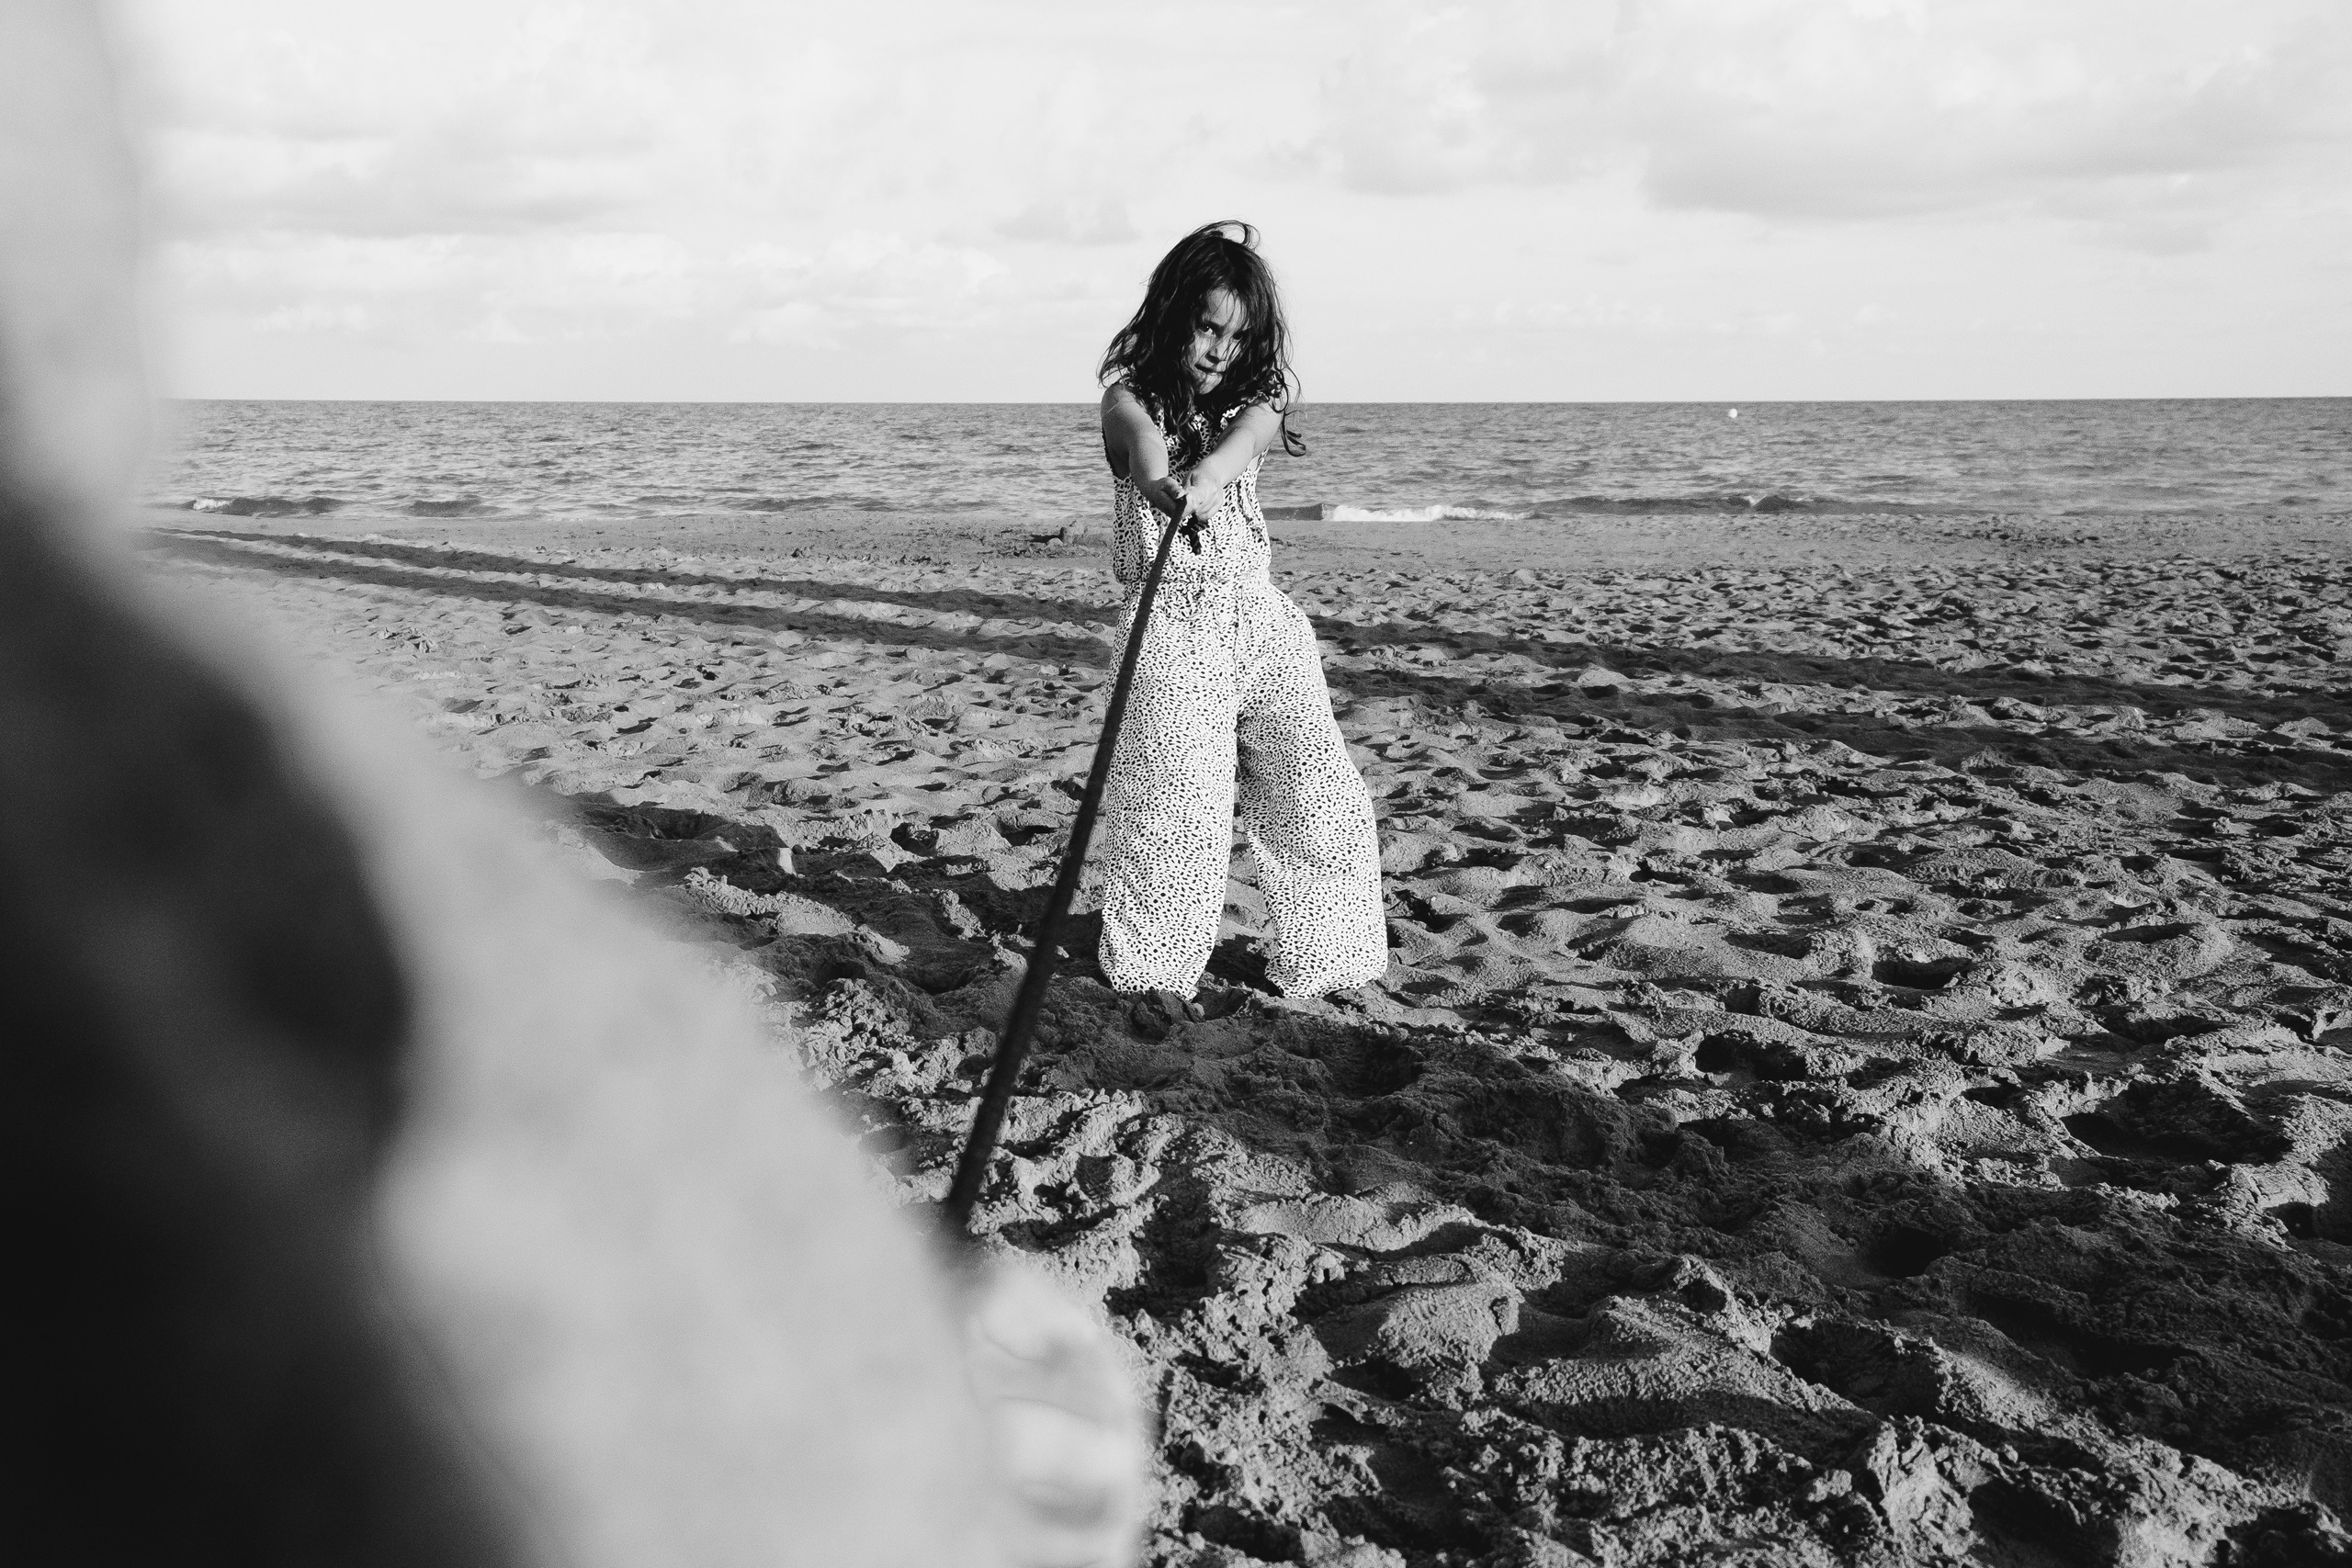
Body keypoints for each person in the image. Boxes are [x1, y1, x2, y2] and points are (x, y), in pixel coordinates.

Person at [1094, 221, 1388, 1028]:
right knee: (1176, 807)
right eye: (1208, 326)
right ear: (1172, 312)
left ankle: (1334, 961)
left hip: (1260, 619)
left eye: (1238, 335)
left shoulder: (1253, 405)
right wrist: (1163, 485)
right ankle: (1153, 975)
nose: (1221, 348)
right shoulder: (1127, 399)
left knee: (1318, 790)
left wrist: (1210, 478)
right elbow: (1145, 446)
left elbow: (1243, 443)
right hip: (1169, 626)